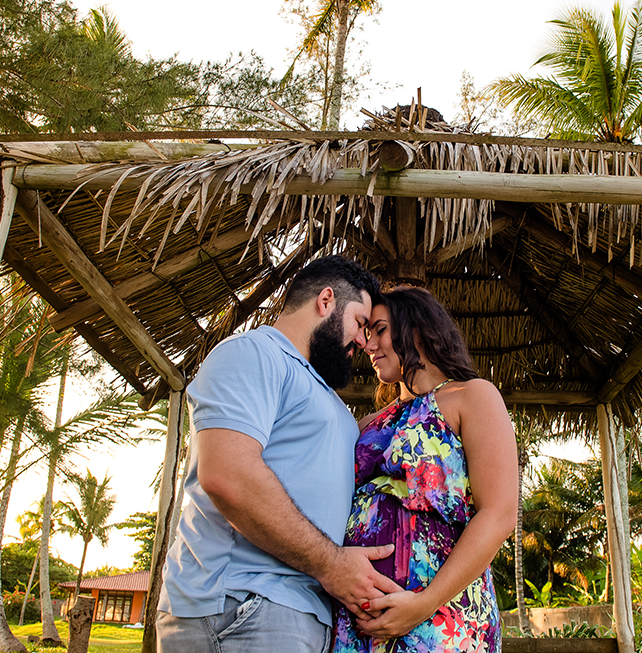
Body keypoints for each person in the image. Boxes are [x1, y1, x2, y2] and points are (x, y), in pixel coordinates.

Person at [157, 255, 402, 653]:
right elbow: (227, 476)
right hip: (242, 606)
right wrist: (332, 565)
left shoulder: (327, 398)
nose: (364, 341)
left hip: (298, 612)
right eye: (359, 323)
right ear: (326, 301)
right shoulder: (253, 353)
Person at [334, 286, 518, 652]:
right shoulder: (368, 422)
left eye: (380, 330)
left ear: (415, 328)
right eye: (366, 334)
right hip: (358, 624)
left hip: (443, 619)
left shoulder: (473, 396)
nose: (368, 346)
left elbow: (499, 514)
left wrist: (423, 604)